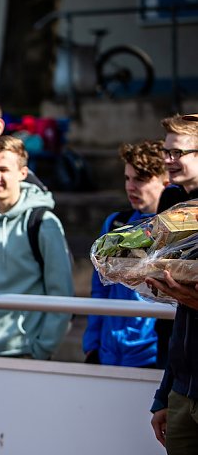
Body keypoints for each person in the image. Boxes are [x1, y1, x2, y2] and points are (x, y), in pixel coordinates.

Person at [146, 113, 198, 455]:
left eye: (178, 151)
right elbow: (181, 315)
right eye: (166, 150)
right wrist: (165, 395)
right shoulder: (173, 206)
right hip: (183, 392)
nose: (168, 159)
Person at [0, 135, 73, 360]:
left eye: (3, 169)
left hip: (26, 354)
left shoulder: (43, 222)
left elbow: (61, 293)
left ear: (23, 174)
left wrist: (42, 350)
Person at [84, 140, 167, 367]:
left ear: (166, 181)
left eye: (140, 179)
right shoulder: (115, 224)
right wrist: (92, 343)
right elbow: (100, 289)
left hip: (153, 353)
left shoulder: (177, 231)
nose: (130, 186)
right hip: (109, 351)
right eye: (127, 178)